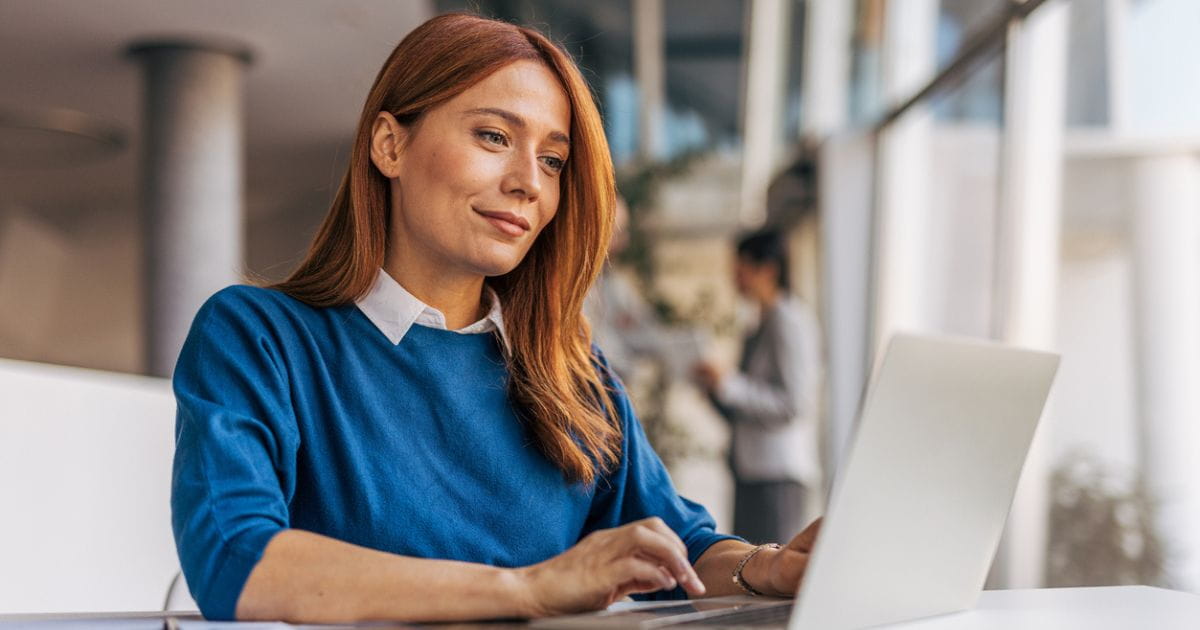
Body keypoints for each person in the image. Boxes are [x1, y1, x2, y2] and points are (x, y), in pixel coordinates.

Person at [171, 13, 820, 624]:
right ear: (390, 145)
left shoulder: (573, 377)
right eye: (494, 136)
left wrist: (765, 569)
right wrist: (525, 590)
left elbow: (684, 546)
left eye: (552, 160)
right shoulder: (259, 338)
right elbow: (238, 559)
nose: (528, 183)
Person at [694, 230, 822, 544]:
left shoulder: (789, 320)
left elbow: (794, 403)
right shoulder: (759, 322)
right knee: (749, 567)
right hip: (751, 470)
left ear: (768, 269)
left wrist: (729, 384)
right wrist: (715, 389)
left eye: (741, 269)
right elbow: (745, 407)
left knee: (772, 573)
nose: (734, 279)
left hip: (777, 475)